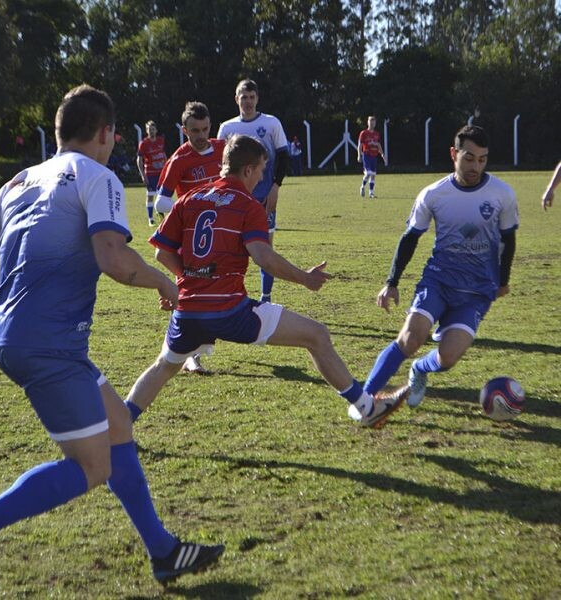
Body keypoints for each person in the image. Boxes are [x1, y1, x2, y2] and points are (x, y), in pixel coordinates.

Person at [0, 85, 224, 600]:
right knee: (93, 466)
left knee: (119, 423)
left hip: (17, 337)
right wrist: (166, 283)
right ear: (105, 134)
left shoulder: (19, 180)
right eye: (112, 136)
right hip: (47, 342)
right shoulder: (99, 175)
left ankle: (164, 552)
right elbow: (113, 258)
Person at [123, 133, 406, 431]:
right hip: (230, 311)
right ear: (247, 169)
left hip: (189, 310)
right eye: (260, 169)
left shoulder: (191, 198)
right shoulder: (247, 205)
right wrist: (305, 278)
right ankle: (366, 408)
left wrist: (187, 280)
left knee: (164, 366)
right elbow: (264, 258)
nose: (261, 177)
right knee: (317, 335)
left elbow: (161, 252)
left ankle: (119, 426)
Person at [348, 125, 518, 423]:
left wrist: (502, 282)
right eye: (468, 158)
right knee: (410, 339)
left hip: (476, 292)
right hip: (438, 281)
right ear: (454, 154)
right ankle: (363, 400)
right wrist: (391, 282)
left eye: (482, 159)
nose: (475, 166)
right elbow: (410, 238)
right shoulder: (434, 194)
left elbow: (509, 240)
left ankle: (419, 370)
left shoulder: (502, 194)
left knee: (448, 357)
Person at [155, 101, 226, 375]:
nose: (201, 135)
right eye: (195, 130)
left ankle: (191, 350)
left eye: (206, 128)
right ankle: (186, 354)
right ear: (184, 130)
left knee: (213, 294)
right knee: (189, 294)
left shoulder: (222, 149)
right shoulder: (180, 158)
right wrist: (190, 209)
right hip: (192, 239)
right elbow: (161, 202)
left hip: (221, 235)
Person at [217, 79, 290, 303]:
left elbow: (284, 157)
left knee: (265, 247)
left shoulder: (271, 123)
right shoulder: (227, 128)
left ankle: (265, 298)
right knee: (228, 246)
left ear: (257, 98)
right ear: (236, 98)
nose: (247, 101)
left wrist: (276, 186)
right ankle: (227, 293)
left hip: (264, 198)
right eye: (243, 97)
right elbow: (219, 164)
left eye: (251, 97)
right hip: (234, 198)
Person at [136, 120, 167, 226]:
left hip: (161, 173)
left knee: (161, 196)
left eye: (153, 129)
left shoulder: (160, 141)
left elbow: (163, 155)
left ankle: (161, 218)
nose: (151, 131)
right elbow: (139, 160)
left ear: (156, 130)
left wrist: (166, 168)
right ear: (147, 130)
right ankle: (150, 219)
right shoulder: (144, 144)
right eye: (149, 129)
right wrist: (142, 174)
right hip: (150, 173)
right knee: (150, 195)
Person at [357, 116, 386, 199]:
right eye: (370, 121)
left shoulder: (377, 134)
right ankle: (362, 186)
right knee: (368, 173)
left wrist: (382, 154)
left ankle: (371, 193)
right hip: (366, 155)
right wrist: (359, 155)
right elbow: (360, 145)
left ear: (375, 123)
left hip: (374, 156)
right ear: (367, 122)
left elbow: (378, 145)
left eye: (373, 122)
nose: (372, 123)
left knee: (373, 174)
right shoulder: (364, 133)